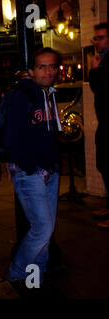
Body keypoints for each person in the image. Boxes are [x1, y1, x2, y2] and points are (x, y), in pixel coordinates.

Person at [4, 48, 63, 294]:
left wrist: (53, 165)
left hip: (49, 170)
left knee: (44, 229)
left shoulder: (48, 94)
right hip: (30, 173)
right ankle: (17, 272)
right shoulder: (21, 96)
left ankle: (37, 273)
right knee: (42, 229)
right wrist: (31, 169)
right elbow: (12, 138)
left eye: (51, 66)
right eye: (42, 67)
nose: (48, 71)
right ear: (31, 71)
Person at [89, 22, 109, 230]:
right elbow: (97, 89)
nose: (97, 41)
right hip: (104, 122)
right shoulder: (102, 59)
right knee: (104, 165)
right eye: (95, 38)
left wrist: (95, 71)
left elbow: (103, 85)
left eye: (101, 37)